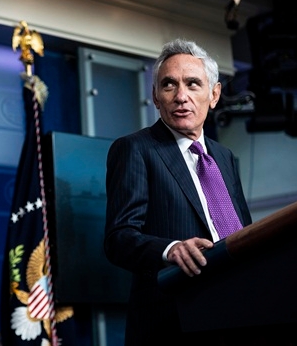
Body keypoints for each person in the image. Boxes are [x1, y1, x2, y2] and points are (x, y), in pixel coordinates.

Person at [104, 39, 252, 345]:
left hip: (238, 309)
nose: (181, 96)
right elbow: (118, 238)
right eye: (169, 85)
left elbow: (244, 233)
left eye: (193, 84)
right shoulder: (135, 149)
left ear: (214, 95)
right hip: (172, 321)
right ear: (156, 98)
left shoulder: (224, 157)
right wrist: (169, 249)